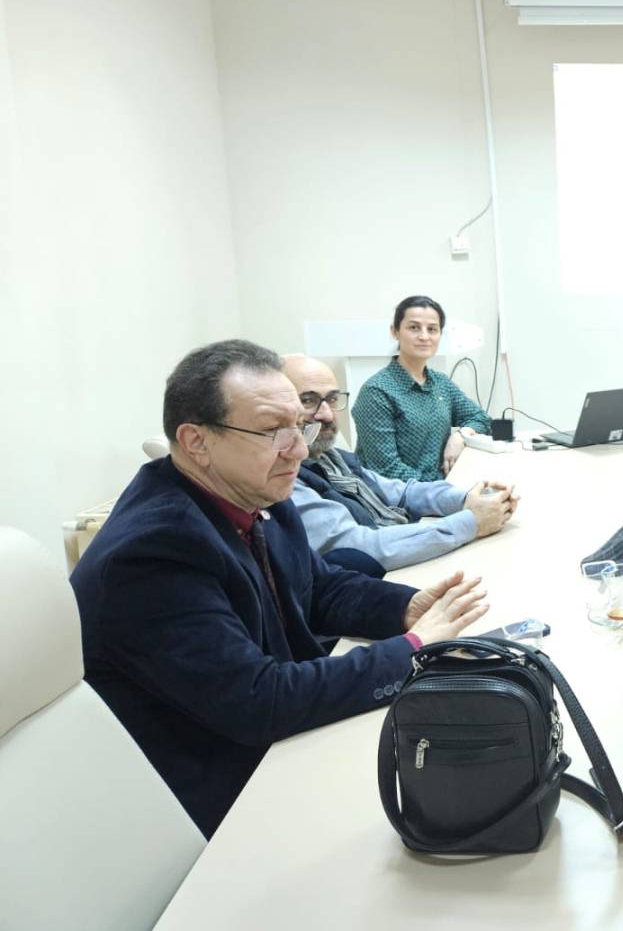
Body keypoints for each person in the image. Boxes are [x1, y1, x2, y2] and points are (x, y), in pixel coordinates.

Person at [70, 340, 493, 837]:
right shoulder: (154, 553)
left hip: (272, 748)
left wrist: (408, 609)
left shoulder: (257, 492)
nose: (299, 448)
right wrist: (413, 649)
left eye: (299, 425)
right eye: (274, 431)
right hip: (218, 799)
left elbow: (319, 588)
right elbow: (260, 701)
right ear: (196, 441)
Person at [282, 354, 518, 573]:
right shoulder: (286, 479)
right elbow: (357, 545)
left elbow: (400, 492)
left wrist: (468, 498)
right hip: (386, 569)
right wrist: (471, 521)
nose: (327, 414)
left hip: (407, 537)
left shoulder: (329, 456)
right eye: (308, 400)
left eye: (333, 399)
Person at [352, 295, 491, 482]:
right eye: (414, 328)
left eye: (432, 329)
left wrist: (460, 435)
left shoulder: (440, 383)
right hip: (399, 495)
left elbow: (481, 418)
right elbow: (386, 470)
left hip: (441, 486)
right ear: (395, 331)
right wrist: (444, 491)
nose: (424, 336)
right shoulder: (376, 392)